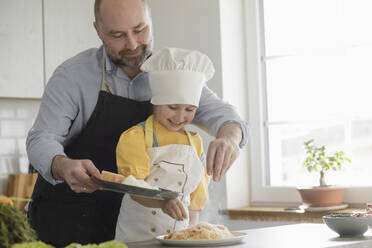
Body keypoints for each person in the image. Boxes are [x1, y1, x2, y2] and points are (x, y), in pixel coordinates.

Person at [26, 0, 248, 246]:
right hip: (70, 222)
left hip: (141, 228)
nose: (132, 44)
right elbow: (41, 138)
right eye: (117, 35)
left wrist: (230, 137)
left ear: (151, 20)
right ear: (97, 30)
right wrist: (62, 164)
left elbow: (227, 117)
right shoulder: (72, 76)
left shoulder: (173, 72)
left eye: (140, 29)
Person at [115, 47, 212, 242]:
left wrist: (193, 234)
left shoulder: (195, 142)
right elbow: (134, 188)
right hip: (137, 237)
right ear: (156, 101)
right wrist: (163, 202)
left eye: (189, 109)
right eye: (172, 107)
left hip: (177, 237)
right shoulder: (136, 137)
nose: (180, 116)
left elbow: (196, 197)